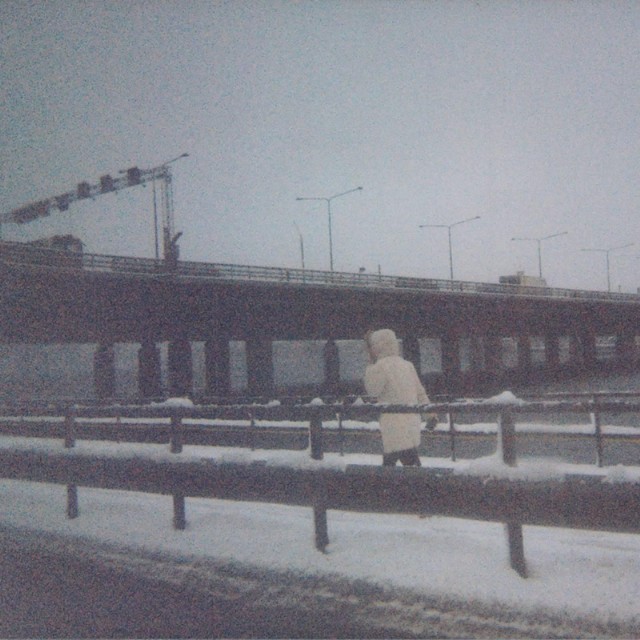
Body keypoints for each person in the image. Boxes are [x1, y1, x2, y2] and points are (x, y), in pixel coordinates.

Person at [364, 328, 436, 466]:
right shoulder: (408, 365)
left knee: (395, 462)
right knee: (405, 460)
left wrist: (370, 367)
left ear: (377, 347)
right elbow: (420, 393)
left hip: (393, 424)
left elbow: (373, 391)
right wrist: (430, 415)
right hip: (411, 421)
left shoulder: (379, 367)